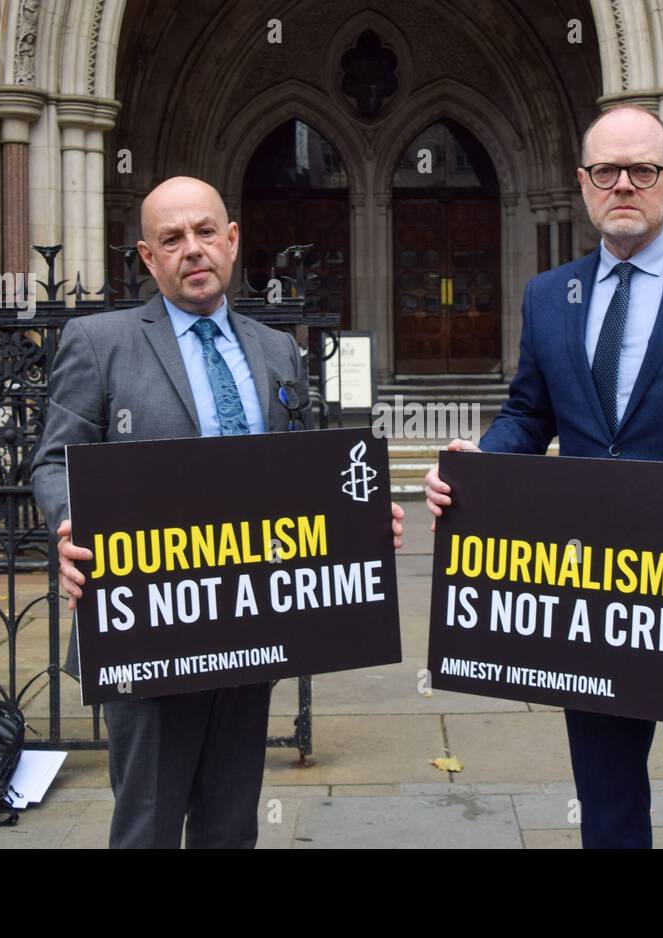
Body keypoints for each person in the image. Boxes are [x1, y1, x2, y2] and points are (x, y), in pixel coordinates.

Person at [424, 106, 663, 849]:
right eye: (607, 171)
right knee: (606, 810)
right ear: (582, 184)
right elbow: (528, 415)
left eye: (642, 170)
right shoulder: (550, 297)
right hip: (594, 595)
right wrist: (478, 460)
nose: (624, 185)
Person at [32, 176, 405, 848]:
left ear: (232, 242)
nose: (192, 249)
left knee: (231, 817)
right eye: (172, 239)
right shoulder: (98, 340)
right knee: (147, 817)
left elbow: (303, 472)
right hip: (144, 621)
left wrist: (361, 521)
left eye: (205, 232)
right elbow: (54, 460)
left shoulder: (275, 348)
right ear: (148, 258)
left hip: (250, 616)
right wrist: (68, 524)